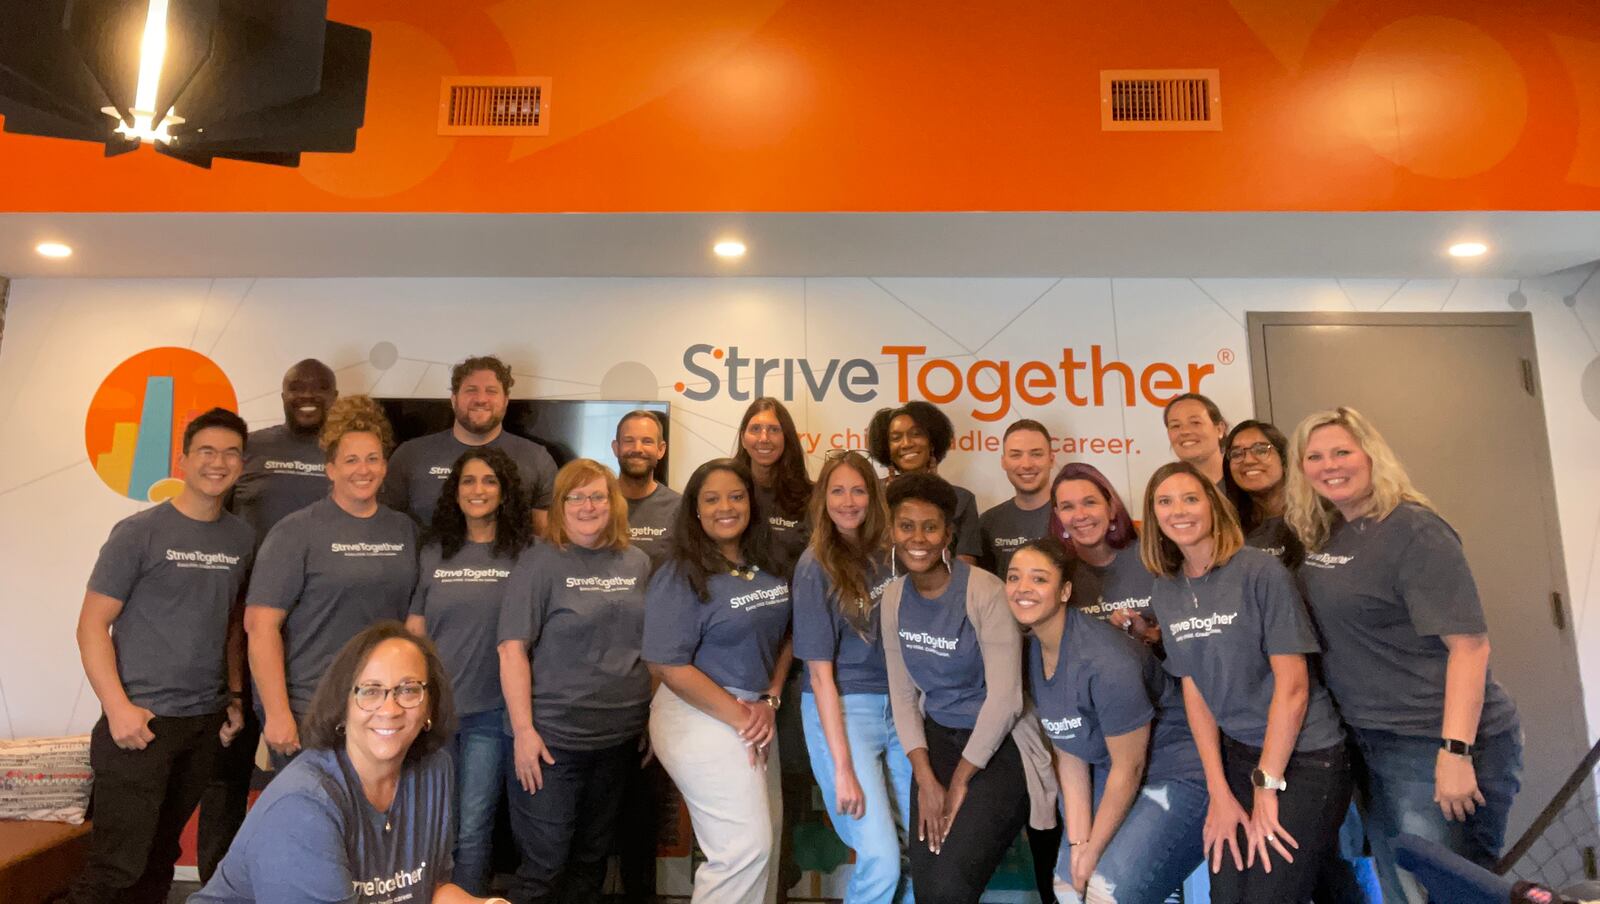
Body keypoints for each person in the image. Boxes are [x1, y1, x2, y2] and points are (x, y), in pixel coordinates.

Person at [1287, 407, 1523, 904]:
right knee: (1401, 892)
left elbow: (1470, 646)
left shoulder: (1415, 530)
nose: (1330, 465)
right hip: (1371, 743)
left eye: (1342, 452)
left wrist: (1455, 752)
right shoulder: (1328, 529)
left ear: (1371, 454)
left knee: (1442, 894)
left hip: (1431, 743)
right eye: (1315, 456)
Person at [68, 408, 255, 904]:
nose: (219, 462)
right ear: (183, 460)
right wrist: (118, 709)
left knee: (159, 862)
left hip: (202, 722)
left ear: (242, 462)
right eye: (207, 451)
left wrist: (233, 696)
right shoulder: (139, 532)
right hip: (140, 722)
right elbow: (91, 625)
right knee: (115, 868)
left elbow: (232, 625)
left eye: (231, 452)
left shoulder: (241, 539)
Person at [1142, 461, 1351, 904]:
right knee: (1227, 893)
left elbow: (1293, 688)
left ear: (1214, 506)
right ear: (1154, 516)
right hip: (1239, 756)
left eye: (1190, 498)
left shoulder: (1259, 572)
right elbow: (1194, 691)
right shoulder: (1166, 590)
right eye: (1165, 501)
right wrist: (1219, 793)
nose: (1178, 510)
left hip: (1305, 756)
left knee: (1268, 895)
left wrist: (1266, 786)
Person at [192, 622, 510, 904]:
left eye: (409, 690)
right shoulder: (303, 804)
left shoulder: (434, 769)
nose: (390, 708)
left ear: (429, 705)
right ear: (342, 706)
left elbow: (431, 888)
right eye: (370, 691)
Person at [879, 472, 1056, 904]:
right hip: (938, 740)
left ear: (948, 534)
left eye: (930, 526)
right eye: (907, 526)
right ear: (892, 532)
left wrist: (958, 781)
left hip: (1000, 746)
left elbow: (1007, 698)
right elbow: (902, 695)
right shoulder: (893, 598)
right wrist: (926, 778)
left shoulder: (985, 592)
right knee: (929, 885)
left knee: (951, 885)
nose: (917, 538)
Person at [1005, 538, 1207, 904]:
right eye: (1014, 577)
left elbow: (1130, 767)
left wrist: (1094, 852)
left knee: (1105, 894)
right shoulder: (1035, 648)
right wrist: (1080, 845)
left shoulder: (1106, 661)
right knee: (1067, 889)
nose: (1023, 589)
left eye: (1038, 579)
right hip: (1109, 770)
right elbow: (1069, 752)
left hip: (1176, 772)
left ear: (1065, 591)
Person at [199, 358, 338, 881]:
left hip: (314, 645)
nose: (306, 395)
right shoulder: (252, 448)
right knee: (227, 771)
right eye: (294, 387)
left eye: (318, 388)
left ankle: (293, 879)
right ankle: (220, 881)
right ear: (281, 393)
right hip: (239, 631)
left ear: (335, 394)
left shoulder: (348, 454)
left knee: (303, 776)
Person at [498, 459, 654, 903]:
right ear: (560, 506)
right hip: (552, 742)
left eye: (598, 496)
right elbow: (511, 649)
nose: (588, 506)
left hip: (619, 739)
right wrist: (524, 732)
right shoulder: (539, 563)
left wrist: (650, 718)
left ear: (613, 502)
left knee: (592, 861)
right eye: (576, 497)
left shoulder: (637, 562)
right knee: (545, 865)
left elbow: (649, 649)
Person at [643, 458, 793, 903]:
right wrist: (741, 716)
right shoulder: (679, 572)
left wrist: (769, 698)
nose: (725, 507)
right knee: (742, 850)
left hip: (756, 710)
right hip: (698, 715)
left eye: (736, 496)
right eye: (711, 499)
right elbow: (666, 665)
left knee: (769, 839)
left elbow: (788, 635)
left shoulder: (770, 560)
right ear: (694, 510)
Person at [246, 395, 419, 770]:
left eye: (372, 458)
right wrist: (276, 714)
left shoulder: (403, 530)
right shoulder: (295, 532)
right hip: (312, 709)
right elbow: (260, 627)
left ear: (385, 466)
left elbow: (411, 622)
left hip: (381, 709)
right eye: (351, 460)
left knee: (374, 820)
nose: (363, 469)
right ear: (330, 469)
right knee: (315, 823)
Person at [406, 446, 533, 895]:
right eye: (468, 481)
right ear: (454, 491)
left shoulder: (525, 553)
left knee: (473, 831)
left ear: (504, 492)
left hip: (492, 715)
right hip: (435, 713)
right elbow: (415, 631)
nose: (478, 490)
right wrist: (412, 699)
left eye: (489, 481)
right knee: (430, 826)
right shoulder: (435, 551)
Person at [792, 451, 911, 904]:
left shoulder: (893, 556)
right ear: (823, 499)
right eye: (837, 490)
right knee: (880, 856)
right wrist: (842, 769)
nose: (848, 500)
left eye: (858, 490)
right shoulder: (814, 565)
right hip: (842, 710)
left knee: (920, 844)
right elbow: (820, 676)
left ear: (874, 497)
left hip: (899, 707)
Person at [383, 355, 558, 531]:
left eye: (491, 391)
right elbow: (387, 529)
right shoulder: (410, 455)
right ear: (454, 399)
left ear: (505, 400)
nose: (481, 399)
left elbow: (546, 538)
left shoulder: (536, 459)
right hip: (428, 558)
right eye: (471, 390)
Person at [1049, 462, 1159, 644]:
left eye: (1090, 502)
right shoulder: (1055, 571)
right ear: (1058, 515)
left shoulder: (1151, 557)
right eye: (1068, 507)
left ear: (1112, 508)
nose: (1080, 515)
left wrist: (1145, 632)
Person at [867, 401, 983, 565]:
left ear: (932, 443)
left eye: (916, 434)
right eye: (896, 438)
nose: (906, 443)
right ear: (887, 449)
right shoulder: (871, 495)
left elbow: (966, 569)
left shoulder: (962, 499)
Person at [733, 397, 813, 576]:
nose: (764, 438)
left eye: (774, 430)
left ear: (787, 438)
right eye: (755, 429)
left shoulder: (812, 497)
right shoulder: (729, 494)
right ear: (743, 439)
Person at [979, 419, 1057, 577]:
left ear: (1051, 459)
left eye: (1036, 454)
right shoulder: (988, 523)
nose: (1026, 464)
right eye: (1016, 455)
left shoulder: (1073, 515)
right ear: (1003, 462)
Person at [1221, 419, 1303, 569]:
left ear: (1284, 458)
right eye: (1237, 453)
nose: (1248, 460)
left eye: (1261, 450)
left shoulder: (1315, 520)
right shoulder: (1226, 527)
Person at [613, 408, 679, 571]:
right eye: (629, 440)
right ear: (616, 448)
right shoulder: (594, 503)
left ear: (661, 450)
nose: (637, 448)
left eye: (647, 441)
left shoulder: (679, 507)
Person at [1163, 393, 1228, 486]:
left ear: (1220, 429)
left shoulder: (1245, 483)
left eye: (1195, 423)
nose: (1185, 431)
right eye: (1175, 426)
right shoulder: (1164, 489)